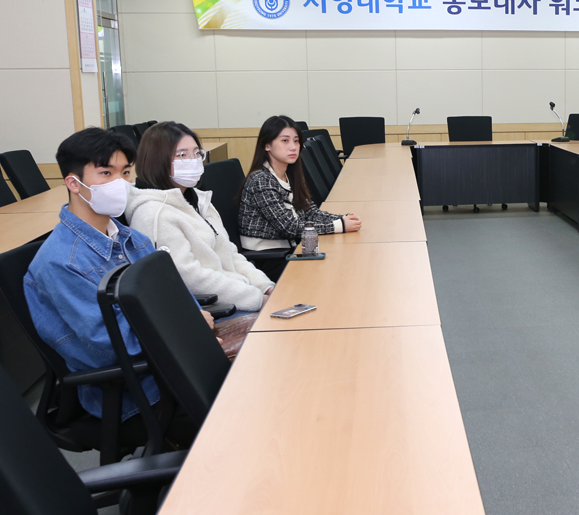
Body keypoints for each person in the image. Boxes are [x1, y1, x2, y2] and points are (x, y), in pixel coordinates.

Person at [23, 127, 215, 425]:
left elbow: (175, 292)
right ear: (74, 183)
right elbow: (112, 347)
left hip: (179, 361)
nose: (121, 183)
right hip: (140, 391)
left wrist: (191, 318)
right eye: (106, 173)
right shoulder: (60, 262)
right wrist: (188, 326)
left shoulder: (132, 238)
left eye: (125, 172)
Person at [125, 122, 275, 311]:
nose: (193, 160)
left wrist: (266, 287)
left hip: (239, 296)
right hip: (213, 309)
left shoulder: (197, 199)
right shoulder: (154, 214)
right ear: (157, 161)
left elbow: (229, 254)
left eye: (197, 153)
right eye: (182, 155)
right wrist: (257, 299)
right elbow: (190, 278)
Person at [238, 115, 361, 252]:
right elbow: (289, 228)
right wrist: (339, 225)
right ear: (267, 145)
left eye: (296, 141)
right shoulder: (261, 180)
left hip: (291, 246)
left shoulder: (291, 175)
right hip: (269, 254)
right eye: (285, 141)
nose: (293, 147)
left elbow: (311, 213)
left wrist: (343, 219)